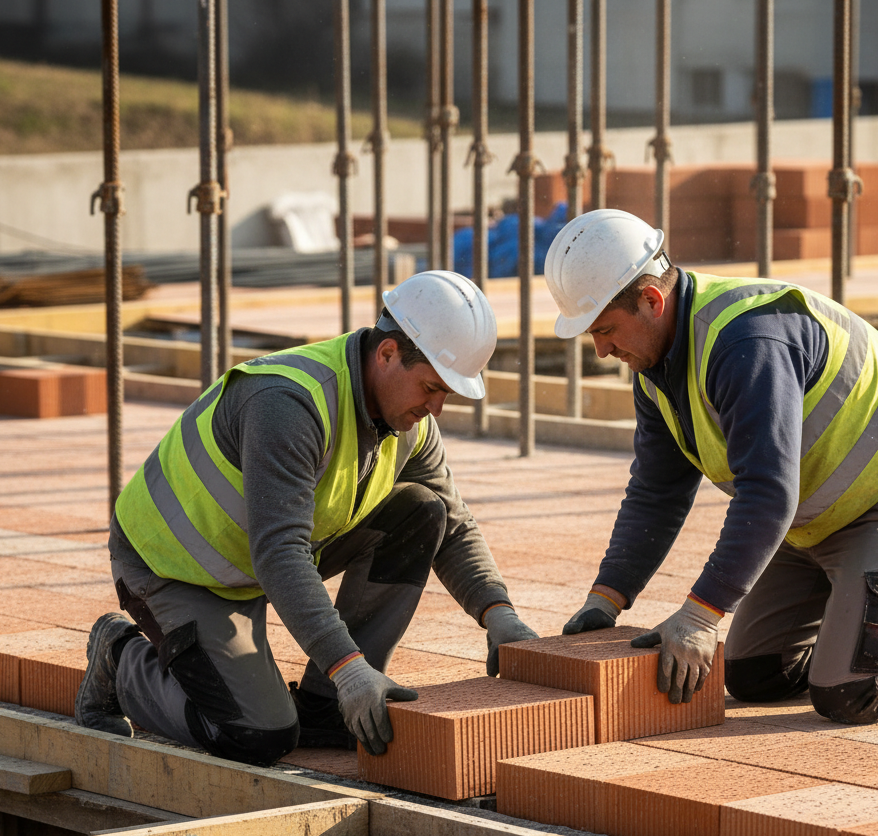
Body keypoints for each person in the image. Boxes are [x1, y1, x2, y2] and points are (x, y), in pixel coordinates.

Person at [545, 208, 878, 723]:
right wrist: (607, 597)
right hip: (813, 518)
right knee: (757, 674)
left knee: (853, 690)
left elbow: (767, 492)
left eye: (605, 330)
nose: (602, 350)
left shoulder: (745, 342)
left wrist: (700, 614)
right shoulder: (655, 368)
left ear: (652, 300)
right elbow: (657, 491)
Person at [75, 270, 536, 765]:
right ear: (387, 354)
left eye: (447, 393)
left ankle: (325, 705)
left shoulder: (408, 418)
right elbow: (279, 553)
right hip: (175, 566)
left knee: (422, 510)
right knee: (256, 735)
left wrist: (498, 614)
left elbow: (454, 523)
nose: (437, 408)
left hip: (252, 556)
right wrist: (348, 666)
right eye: (431, 387)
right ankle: (119, 658)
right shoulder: (288, 404)